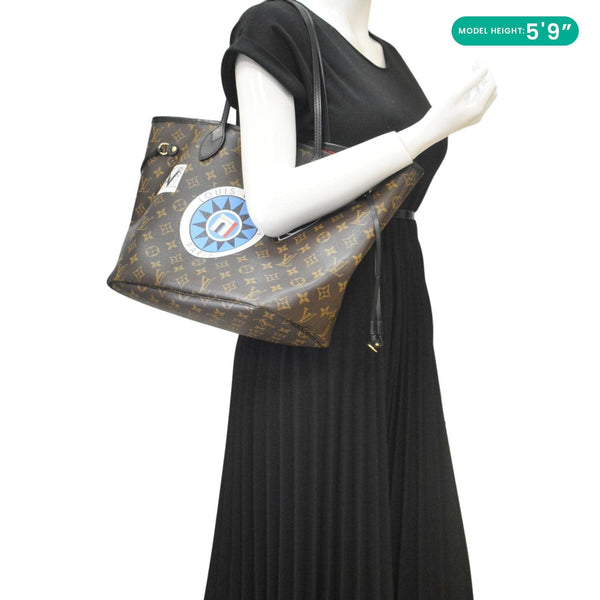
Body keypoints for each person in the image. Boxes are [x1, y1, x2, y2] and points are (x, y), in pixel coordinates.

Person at [203, 0, 497, 598]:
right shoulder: (276, 26)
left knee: (404, 515)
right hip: (313, 319)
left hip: (395, 310)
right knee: (315, 514)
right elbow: (271, 204)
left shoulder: (391, 58)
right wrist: (426, 130)